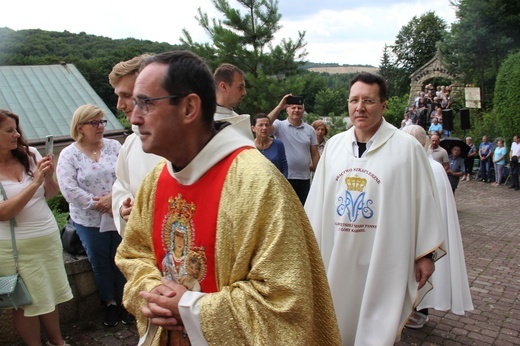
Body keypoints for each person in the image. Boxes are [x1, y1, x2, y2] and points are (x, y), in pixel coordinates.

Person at [114, 50, 341, 345]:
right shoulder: (156, 180)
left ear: (189, 108)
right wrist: (152, 290)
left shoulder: (256, 182)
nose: (134, 116)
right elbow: (134, 253)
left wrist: (191, 309)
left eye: (145, 103)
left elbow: (285, 298)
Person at [305, 72, 444, 345]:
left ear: (384, 105)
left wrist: (425, 255)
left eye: (368, 100)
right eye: (354, 100)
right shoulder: (333, 147)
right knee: (336, 318)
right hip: (338, 254)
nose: (360, 107)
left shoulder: (406, 149)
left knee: (377, 326)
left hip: (386, 256)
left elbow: (424, 203)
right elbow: (316, 204)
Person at [0, 109, 73, 346]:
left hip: (47, 238)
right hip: (15, 248)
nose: (17, 135)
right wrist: (34, 183)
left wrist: (49, 177)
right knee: (26, 302)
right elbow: (3, 213)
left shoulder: (29, 154)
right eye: (9, 130)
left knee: (48, 294)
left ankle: (57, 341)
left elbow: (51, 194)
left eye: (16, 129)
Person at [56, 104, 126, 327]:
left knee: (121, 260)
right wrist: (96, 204)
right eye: (94, 123)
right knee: (100, 262)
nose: (100, 127)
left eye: (102, 122)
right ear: (80, 127)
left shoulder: (115, 146)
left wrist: (112, 199)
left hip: (118, 214)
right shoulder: (69, 155)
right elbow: (68, 188)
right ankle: (110, 303)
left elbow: (128, 176)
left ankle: (126, 302)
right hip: (88, 221)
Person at [403, 125, 473, 319]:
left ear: (423, 144)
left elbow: (436, 208)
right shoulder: (405, 166)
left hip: (424, 234)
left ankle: (420, 310)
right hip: (406, 232)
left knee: (420, 275)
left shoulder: (433, 169)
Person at [109, 54, 163, 242]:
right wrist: (123, 208)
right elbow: (121, 185)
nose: (119, 105)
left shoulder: (186, 141)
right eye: (118, 96)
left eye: (126, 95)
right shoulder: (131, 143)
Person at [267, 95, 320, 204]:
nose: (296, 110)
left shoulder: (310, 130)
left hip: (304, 178)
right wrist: (279, 107)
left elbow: (314, 154)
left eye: (299, 108)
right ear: (287, 110)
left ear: (303, 110)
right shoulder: (279, 125)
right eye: (293, 107)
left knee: (303, 210)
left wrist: (319, 174)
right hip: (284, 177)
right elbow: (265, 126)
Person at [251, 113, 288, 177]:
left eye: (267, 125)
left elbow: (284, 167)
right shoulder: (250, 146)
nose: (264, 128)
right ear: (253, 128)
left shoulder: (278, 144)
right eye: (261, 125)